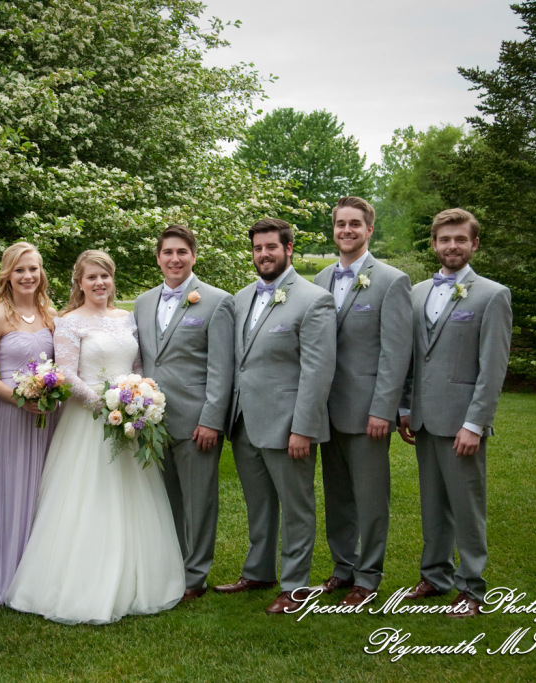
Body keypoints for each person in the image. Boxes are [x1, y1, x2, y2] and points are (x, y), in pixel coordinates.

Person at [5, 249, 184, 624]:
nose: (99, 283)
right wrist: (107, 407)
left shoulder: (127, 318)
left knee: (134, 498)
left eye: (105, 276)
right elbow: (67, 374)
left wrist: (138, 397)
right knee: (89, 498)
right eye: (92, 278)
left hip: (129, 417)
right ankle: (79, 583)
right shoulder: (68, 322)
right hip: (89, 423)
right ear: (80, 283)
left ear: (112, 279)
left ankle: (138, 578)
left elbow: (135, 365)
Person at [215, 218, 336, 615]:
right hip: (244, 420)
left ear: (288, 248)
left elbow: (317, 371)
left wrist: (303, 427)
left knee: (296, 507)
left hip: (288, 425)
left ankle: (295, 585)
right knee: (259, 503)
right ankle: (258, 571)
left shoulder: (314, 299)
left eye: (271, 247)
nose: (263, 254)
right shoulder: (240, 298)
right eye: (257, 248)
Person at [397, 208, 512, 618]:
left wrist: (475, 423)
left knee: (466, 505)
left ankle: (472, 588)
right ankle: (435, 575)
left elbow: (492, 367)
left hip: (463, 421)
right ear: (433, 244)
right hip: (425, 419)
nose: (452, 246)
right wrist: (406, 407)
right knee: (433, 503)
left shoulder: (492, 295)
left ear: (474, 244)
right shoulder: (416, 292)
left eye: (460, 239)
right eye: (445, 239)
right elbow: (412, 358)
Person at [312, 197, 412, 606]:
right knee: (336, 495)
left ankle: (368, 577)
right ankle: (342, 567)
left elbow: (396, 352)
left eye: (355, 224)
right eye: (340, 224)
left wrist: (384, 409)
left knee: (370, 497)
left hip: (368, 408)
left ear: (370, 230)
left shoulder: (391, 280)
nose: (346, 230)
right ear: (333, 230)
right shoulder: (318, 279)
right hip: (325, 409)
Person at [133, 224, 234, 602]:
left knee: (199, 501)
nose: (174, 259)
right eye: (167, 253)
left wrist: (211, 419)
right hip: (152, 421)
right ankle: (172, 564)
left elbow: (221, 368)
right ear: (158, 258)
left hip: (196, 421)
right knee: (166, 499)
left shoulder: (216, 301)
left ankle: (196, 575)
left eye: (182, 252)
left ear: (194, 256)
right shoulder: (143, 303)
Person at [0, 243, 58, 607]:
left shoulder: (50, 313)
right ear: (7, 273)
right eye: (20, 269)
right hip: (13, 413)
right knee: (14, 488)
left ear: (42, 273)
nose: (28, 276)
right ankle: (8, 577)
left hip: (49, 413)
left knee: (48, 488)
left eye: (34, 269)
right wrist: (19, 398)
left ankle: (45, 575)